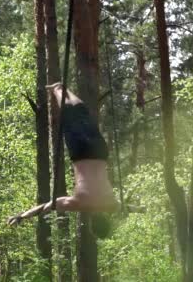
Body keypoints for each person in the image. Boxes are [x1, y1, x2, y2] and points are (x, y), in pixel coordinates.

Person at [7, 83, 118, 227]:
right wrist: (21, 216)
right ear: (90, 221)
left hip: (100, 152)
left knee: (82, 113)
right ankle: (57, 89)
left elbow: (128, 207)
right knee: (68, 115)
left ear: (107, 218)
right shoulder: (78, 204)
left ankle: (62, 89)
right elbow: (45, 207)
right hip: (81, 153)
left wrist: (141, 209)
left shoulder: (111, 203)